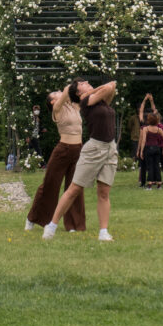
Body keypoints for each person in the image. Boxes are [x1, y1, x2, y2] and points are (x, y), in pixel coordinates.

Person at [43, 79, 118, 242]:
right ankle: (52, 225)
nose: (87, 82)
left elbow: (111, 88)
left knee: (104, 192)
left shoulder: (101, 101)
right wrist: (95, 90)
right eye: (82, 83)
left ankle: (103, 232)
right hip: (94, 149)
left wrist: (99, 88)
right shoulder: (85, 101)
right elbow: (107, 87)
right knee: (74, 189)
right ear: (78, 93)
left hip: (110, 148)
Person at [25, 85, 85, 232]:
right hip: (63, 150)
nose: (58, 92)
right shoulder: (57, 109)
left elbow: (84, 95)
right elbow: (65, 92)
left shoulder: (74, 106)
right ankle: (32, 218)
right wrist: (73, 84)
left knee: (75, 187)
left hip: (78, 150)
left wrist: (86, 86)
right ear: (52, 101)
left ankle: (73, 225)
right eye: (55, 93)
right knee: (50, 186)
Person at [138, 113, 163, 189]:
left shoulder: (146, 128)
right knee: (157, 166)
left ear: (149, 120)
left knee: (150, 167)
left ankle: (149, 184)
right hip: (157, 148)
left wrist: (141, 151)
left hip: (148, 148)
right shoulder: (159, 129)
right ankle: (159, 184)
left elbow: (143, 141)